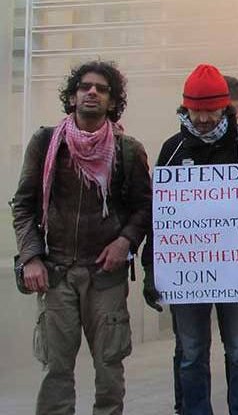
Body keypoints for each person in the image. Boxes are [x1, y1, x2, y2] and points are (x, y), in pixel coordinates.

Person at [142, 63, 238, 415]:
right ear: (185, 107)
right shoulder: (173, 150)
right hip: (187, 276)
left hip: (237, 274)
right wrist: (152, 269)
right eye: (197, 109)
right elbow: (158, 216)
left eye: (211, 109)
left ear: (226, 107)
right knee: (191, 355)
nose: (204, 118)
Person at [10, 60, 152, 415]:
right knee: (56, 368)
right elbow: (24, 205)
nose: (92, 92)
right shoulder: (46, 144)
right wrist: (31, 257)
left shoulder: (128, 150)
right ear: (72, 96)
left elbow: (145, 207)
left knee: (109, 367)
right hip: (56, 272)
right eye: (85, 87)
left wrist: (125, 243)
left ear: (111, 100)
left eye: (102, 89)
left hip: (106, 275)